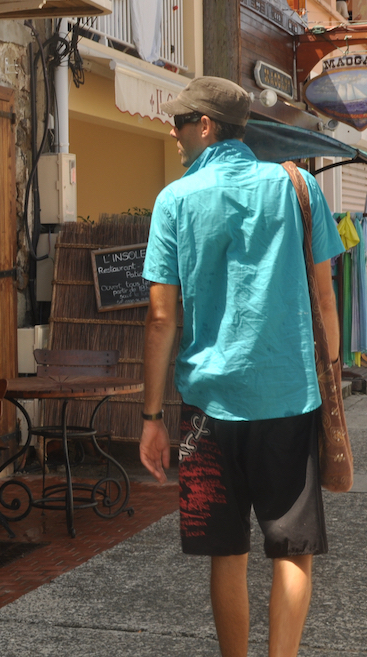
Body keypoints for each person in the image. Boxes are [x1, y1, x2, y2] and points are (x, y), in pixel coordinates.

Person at [139, 77, 343, 657]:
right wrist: (326, 379)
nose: (174, 132)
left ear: (205, 127)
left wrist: (152, 415)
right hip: (288, 395)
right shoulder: (298, 186)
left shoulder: (174, 200)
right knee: (292, 549)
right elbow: (325, 301)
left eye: (181, 122)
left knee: (225, 551)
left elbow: (160, 318)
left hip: (208, 408)